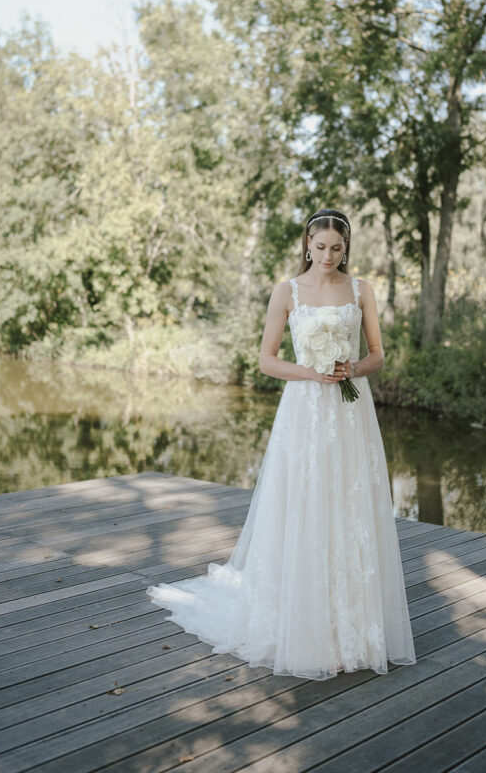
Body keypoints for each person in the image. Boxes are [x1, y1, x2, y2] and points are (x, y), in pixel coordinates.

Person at [146, 207, 417, 679]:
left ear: (346, 248)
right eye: (320, 247)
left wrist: (351, 368)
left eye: (337, 248)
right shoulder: (286, 291)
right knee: (304, 506)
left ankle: (350, 630)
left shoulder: (362, 291)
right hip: (305, 410)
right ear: (307, 244)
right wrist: (312, 373)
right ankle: (301, 627)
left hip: (351, 414)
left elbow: (377, 355)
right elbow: (266, 361)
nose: (328, 255)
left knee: (349, 509)